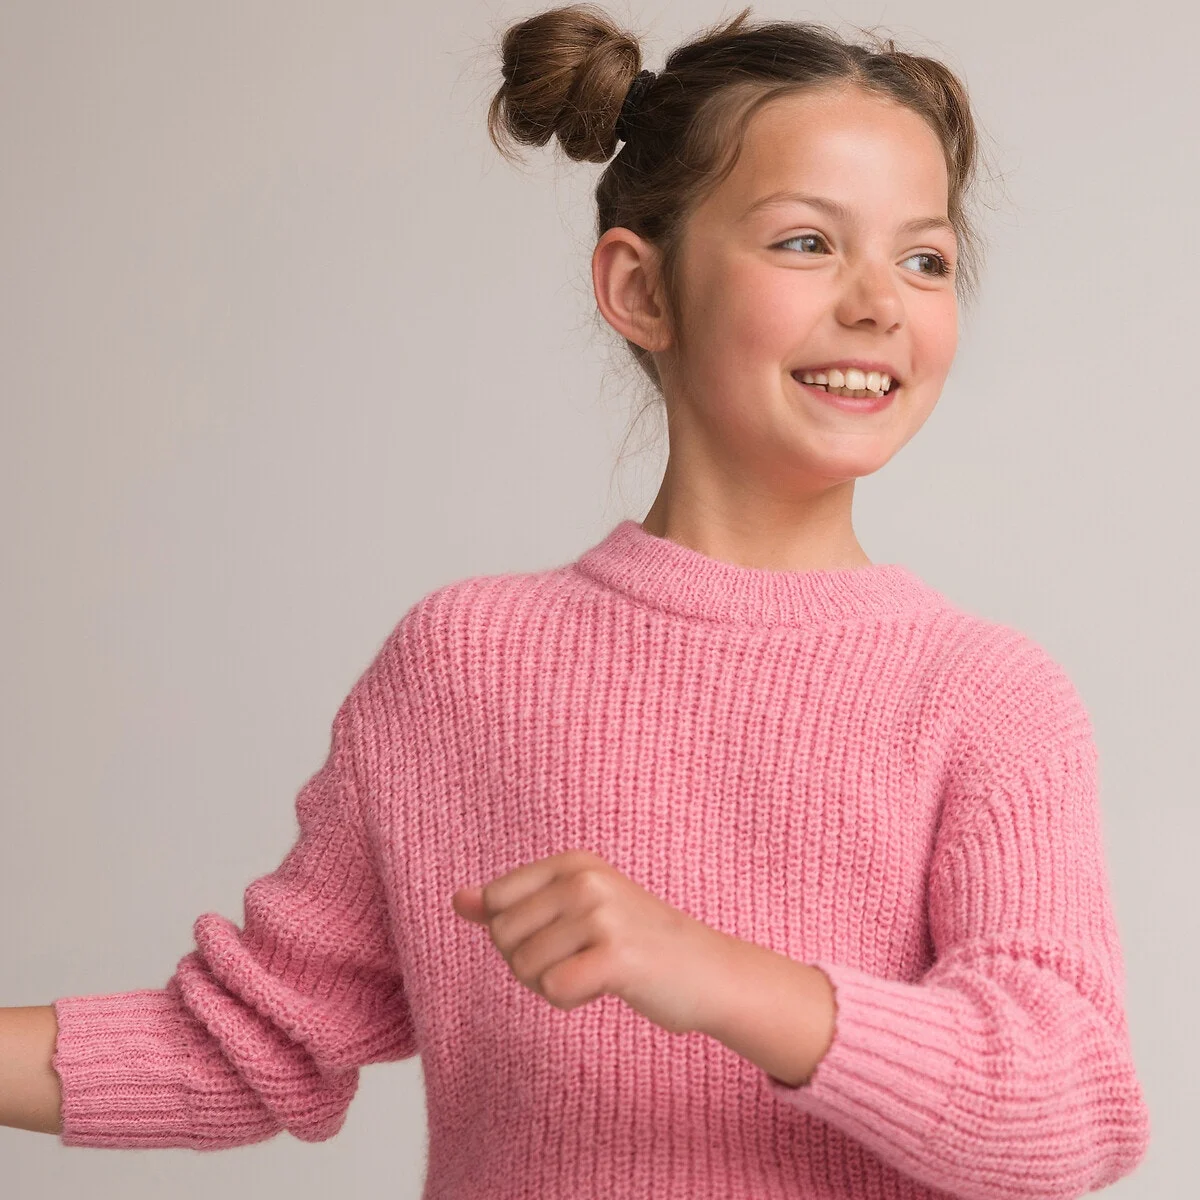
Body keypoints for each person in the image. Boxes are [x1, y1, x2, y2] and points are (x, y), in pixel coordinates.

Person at [1, 4, 1151, 1197]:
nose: (879, 302)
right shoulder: (464, 664)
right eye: (807, 242)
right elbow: (244, 1048)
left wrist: (712, 974)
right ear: (640, 288)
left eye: (925, 259)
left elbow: (1069, 1105)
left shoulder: (988, 699)